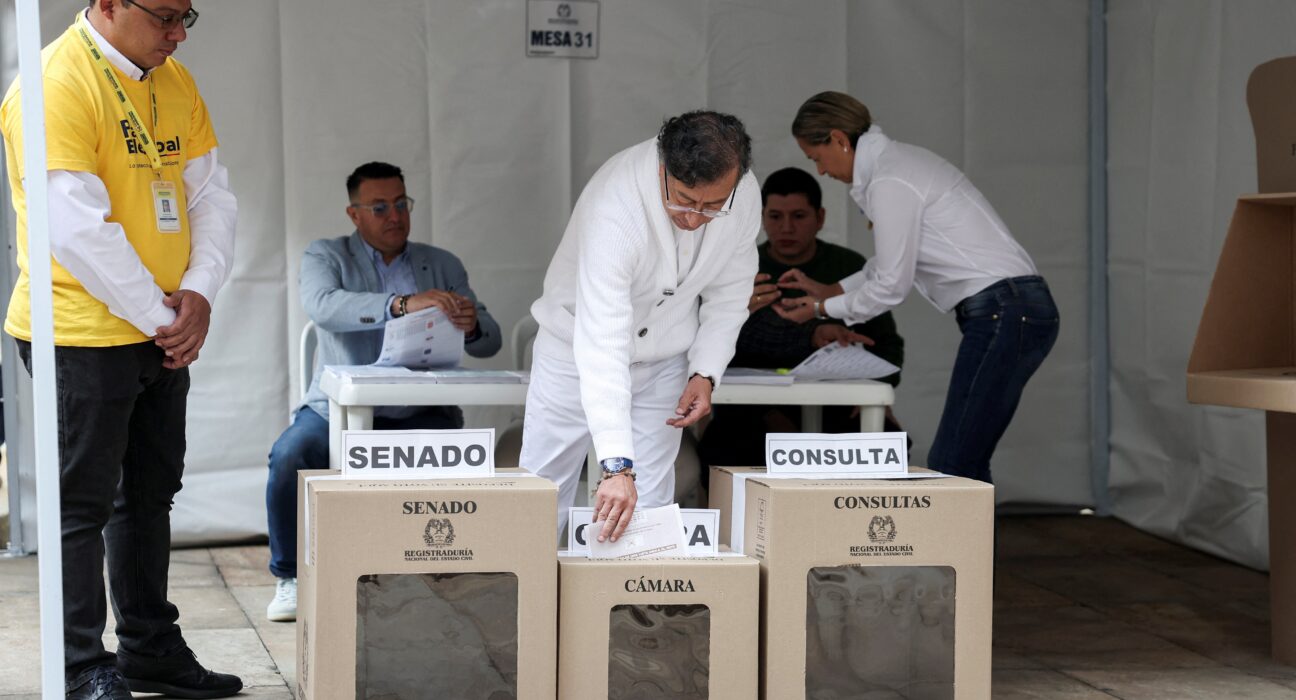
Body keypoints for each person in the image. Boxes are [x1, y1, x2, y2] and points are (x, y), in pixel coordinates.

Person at [0, 1, 240, 698]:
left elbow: (211, 196)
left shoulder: (175, 80)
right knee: (82, 504)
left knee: (150, 493)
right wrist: (164, 317)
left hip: (160, 327)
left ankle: (149, 647)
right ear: (107, 3)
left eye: (188, 15)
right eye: (165, 15)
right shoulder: (54, 82)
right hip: (81, 331)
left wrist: (200, 291)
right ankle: (81, 665)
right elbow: (75, 227)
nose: (179, 33)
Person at [775, 91, 1059, 484]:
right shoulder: (897, 165)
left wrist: (821, 310)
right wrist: (830, 290)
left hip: (1006, 308)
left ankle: (964, 527)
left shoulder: (890, 179)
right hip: (1013, 306)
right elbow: (888, 265)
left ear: (838, 139)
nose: (821, 171)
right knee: (964, 458)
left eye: (816, 157)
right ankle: (974, 527)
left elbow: (892, 285)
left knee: (955, 461)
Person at [263, 161, 501, 621]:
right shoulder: (326, 256)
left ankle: (438, 570)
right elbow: (323, 307)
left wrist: (472, 325)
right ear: (354, 214)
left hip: (419, 408)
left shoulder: (441, 263)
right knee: (290, 455)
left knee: (465, 461)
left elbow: (490, 342)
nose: (394, 216)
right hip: (337, 408)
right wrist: (402, 304)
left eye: (401, 204)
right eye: (379, 207)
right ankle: (289, 576)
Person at [522, 111, 761, 542]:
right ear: (662, 168)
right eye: (684, 200)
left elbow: (731, 293)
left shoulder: (742, 193)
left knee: (651, 506)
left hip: (666, 358)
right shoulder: (615, 203)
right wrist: (616, 465)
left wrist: (705, 372)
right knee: (543, 492)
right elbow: (603, 337)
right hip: (575, 350)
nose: (695, 218)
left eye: (712, 206)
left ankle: (638, 589)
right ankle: (528, 584)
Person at [697, 167, 904, 470]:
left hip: (838, 404)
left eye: (798, 216)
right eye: (775, 216)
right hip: (751, 407)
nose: (786, 228)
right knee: (720, 449)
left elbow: (887, 345)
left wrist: (875, 395)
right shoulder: (739, 268)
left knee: (885, 443)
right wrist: (734, 312)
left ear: (820, 218)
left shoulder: (848, 267)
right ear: (761, 218)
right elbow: (711, 347)